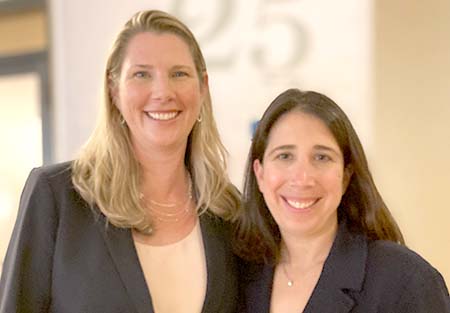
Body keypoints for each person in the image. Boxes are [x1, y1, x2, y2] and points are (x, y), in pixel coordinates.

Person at [0, 10, 241, 313]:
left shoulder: (228, 212)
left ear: (202, 88)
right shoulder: (57, 197)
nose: (163, 92)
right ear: (114, 90)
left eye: (178, 73)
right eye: (141, 74)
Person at [233, 88, 450, 312]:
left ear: (346, 176)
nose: (302, 178)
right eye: (284, 156)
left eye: (322, 157)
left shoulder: (406, 280)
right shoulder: (238, 278)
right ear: (260, 174)